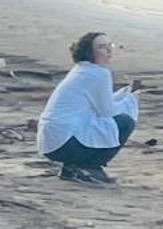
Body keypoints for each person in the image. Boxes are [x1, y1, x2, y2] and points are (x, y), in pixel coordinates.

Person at [37, 32, 138, 186]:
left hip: (50, 142)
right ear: (89, 52)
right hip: (64, 142)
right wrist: (130, 100)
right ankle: (91, 168)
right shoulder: (99, 73)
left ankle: (71, 168)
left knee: (108, 123)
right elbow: (107, 111)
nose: (109, 51)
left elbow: (99, 104)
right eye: (102, 47)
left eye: (110, 46)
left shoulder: (82, 69)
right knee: (125, 122)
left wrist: (124, 94)